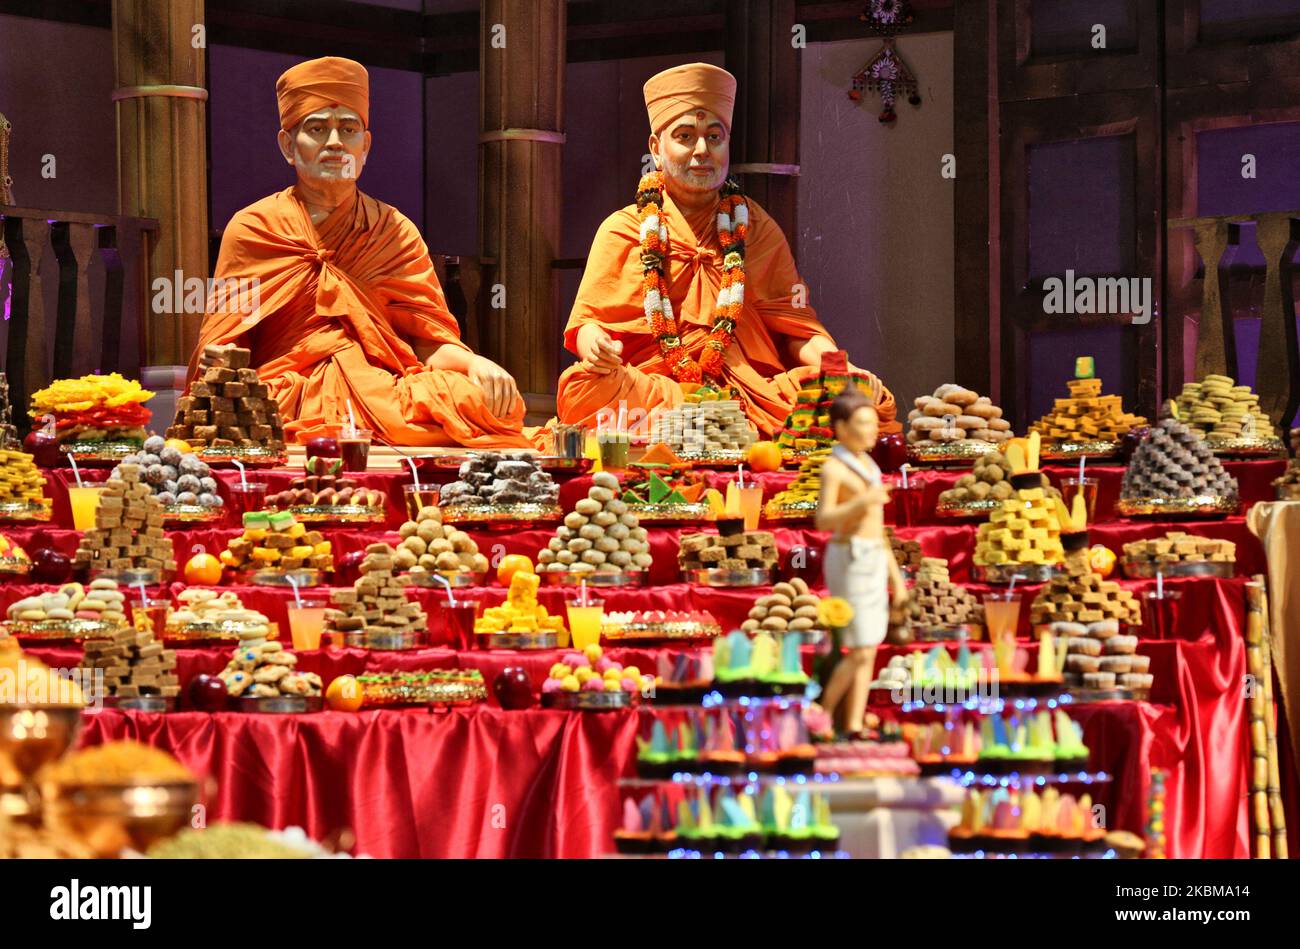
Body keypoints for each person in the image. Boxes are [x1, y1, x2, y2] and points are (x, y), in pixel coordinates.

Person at [191, 56, 534, 448]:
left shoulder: (394, 229)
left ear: (365, 145)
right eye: (317, 129)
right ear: (288, 146)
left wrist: (474, 363)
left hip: (381, 389)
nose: (335, 143)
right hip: (288, 392)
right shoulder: (255, 227)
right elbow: (227, 341)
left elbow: (426, 342)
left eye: (348, 129)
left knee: (485, 403)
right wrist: (220, 362)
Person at [556, 62, 897, 438]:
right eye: (685, 136)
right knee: (583, 388)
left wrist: (839, 367)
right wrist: (597, 347)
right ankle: (711, 424)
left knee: (858, 398)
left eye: (714, 137)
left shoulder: (755, 226)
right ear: (656, 148)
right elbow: (588, 325)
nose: (702, 150)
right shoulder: (624, 228)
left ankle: (710, 424)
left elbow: (797, 329)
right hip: (657, 390)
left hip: (751, 393)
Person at [814, 388, 908, 736]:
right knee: (859, 647)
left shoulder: (868, 464)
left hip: (872, 556)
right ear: (840, 428)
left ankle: (853, 722)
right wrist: (863, 500)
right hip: (849, 558)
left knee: (869, 648)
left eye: (872, 423)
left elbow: (879, 530)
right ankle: (821, 716)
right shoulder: (834, 469)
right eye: (862, 423)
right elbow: (823, 520)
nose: (872, 430)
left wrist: (896, 580)